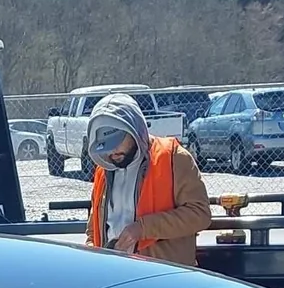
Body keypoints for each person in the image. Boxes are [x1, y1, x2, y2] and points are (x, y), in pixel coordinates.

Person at [84, 93, 211, 265]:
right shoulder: (104, 171)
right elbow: (94, 228)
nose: (112, 151)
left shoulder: (173, 158)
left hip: (164, 274)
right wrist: (91, 250)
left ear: (135, 130)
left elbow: (199, 214)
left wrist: (143, 229)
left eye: (117, 141)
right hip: (114, 272)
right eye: (106, 146)